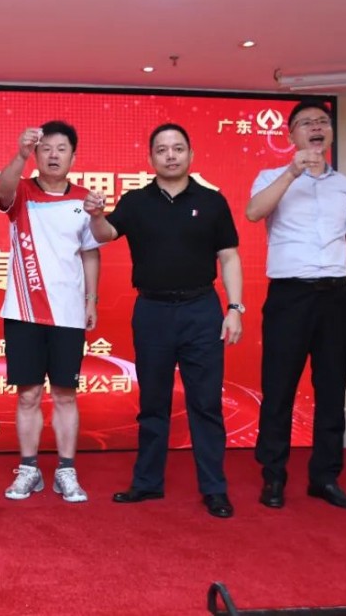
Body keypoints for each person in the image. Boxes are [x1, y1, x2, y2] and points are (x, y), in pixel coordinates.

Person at [85, 123, 243, 519]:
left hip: (201, 311)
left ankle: (214, 489)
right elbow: (104, 234)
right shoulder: (136, 201)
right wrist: (96, 216)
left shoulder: (212, 201)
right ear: (151, 157)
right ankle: (147, 482)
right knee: (153, 402)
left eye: (177, 148)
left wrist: (235, 308)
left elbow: (229, 257)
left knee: (205, 403)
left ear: (191, 154)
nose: (170, 155)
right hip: (152, 311)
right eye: (162, 149)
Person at [247, 99, 346, 510]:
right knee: (279, 389)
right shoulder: (272, 176)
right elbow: (253, 212)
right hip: (290, 296)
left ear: (330, 133)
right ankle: (273, 477)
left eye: (323, 121)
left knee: (332, 389)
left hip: (336, 296)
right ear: (291, 135)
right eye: (306, 123)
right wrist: (292, 172)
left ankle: (325, 477)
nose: (316, 127)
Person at [0, 121, 100, 503]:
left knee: (65, 395)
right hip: (23, 310)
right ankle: (28, 469)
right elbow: (2, 190)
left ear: (73, 155)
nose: (53, 155)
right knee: (28, 395)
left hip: (67, 314)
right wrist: (20, 155)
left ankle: (66, 471)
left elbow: (90, 253)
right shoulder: (22, 191)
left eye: (61, 149)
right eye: (46, 148)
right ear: (37, 154)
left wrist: (91, 300)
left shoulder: (85, 199)